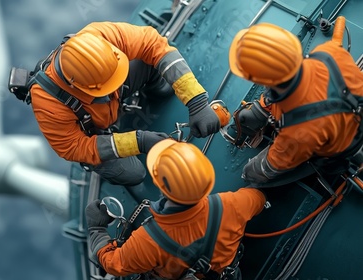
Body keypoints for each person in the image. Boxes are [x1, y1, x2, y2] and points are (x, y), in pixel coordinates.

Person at [23, 21, 222, 186]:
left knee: (150, 62)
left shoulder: (100, 34)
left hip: (111, 93)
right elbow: (73, 147)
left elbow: (154, 44)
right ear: (79, 87)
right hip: (92, 130)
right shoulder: (47, 102)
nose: (113, 89)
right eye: (106, 87)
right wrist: (138, 141)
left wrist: (196, 101)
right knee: (133, 174)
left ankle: (155, 87)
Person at [85, 139, 266, 279]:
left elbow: (113, 264)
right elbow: (259, 198)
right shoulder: (234, 204)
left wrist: (97, 229)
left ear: (159, 183)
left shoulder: (146, 242)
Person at [227, 18, 363, 185]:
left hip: (339, 147)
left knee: (261, 177)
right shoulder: (328, 52)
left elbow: (273, 164)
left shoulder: (297, 133)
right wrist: (262, 108)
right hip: (353, 114)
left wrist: (253, 171)